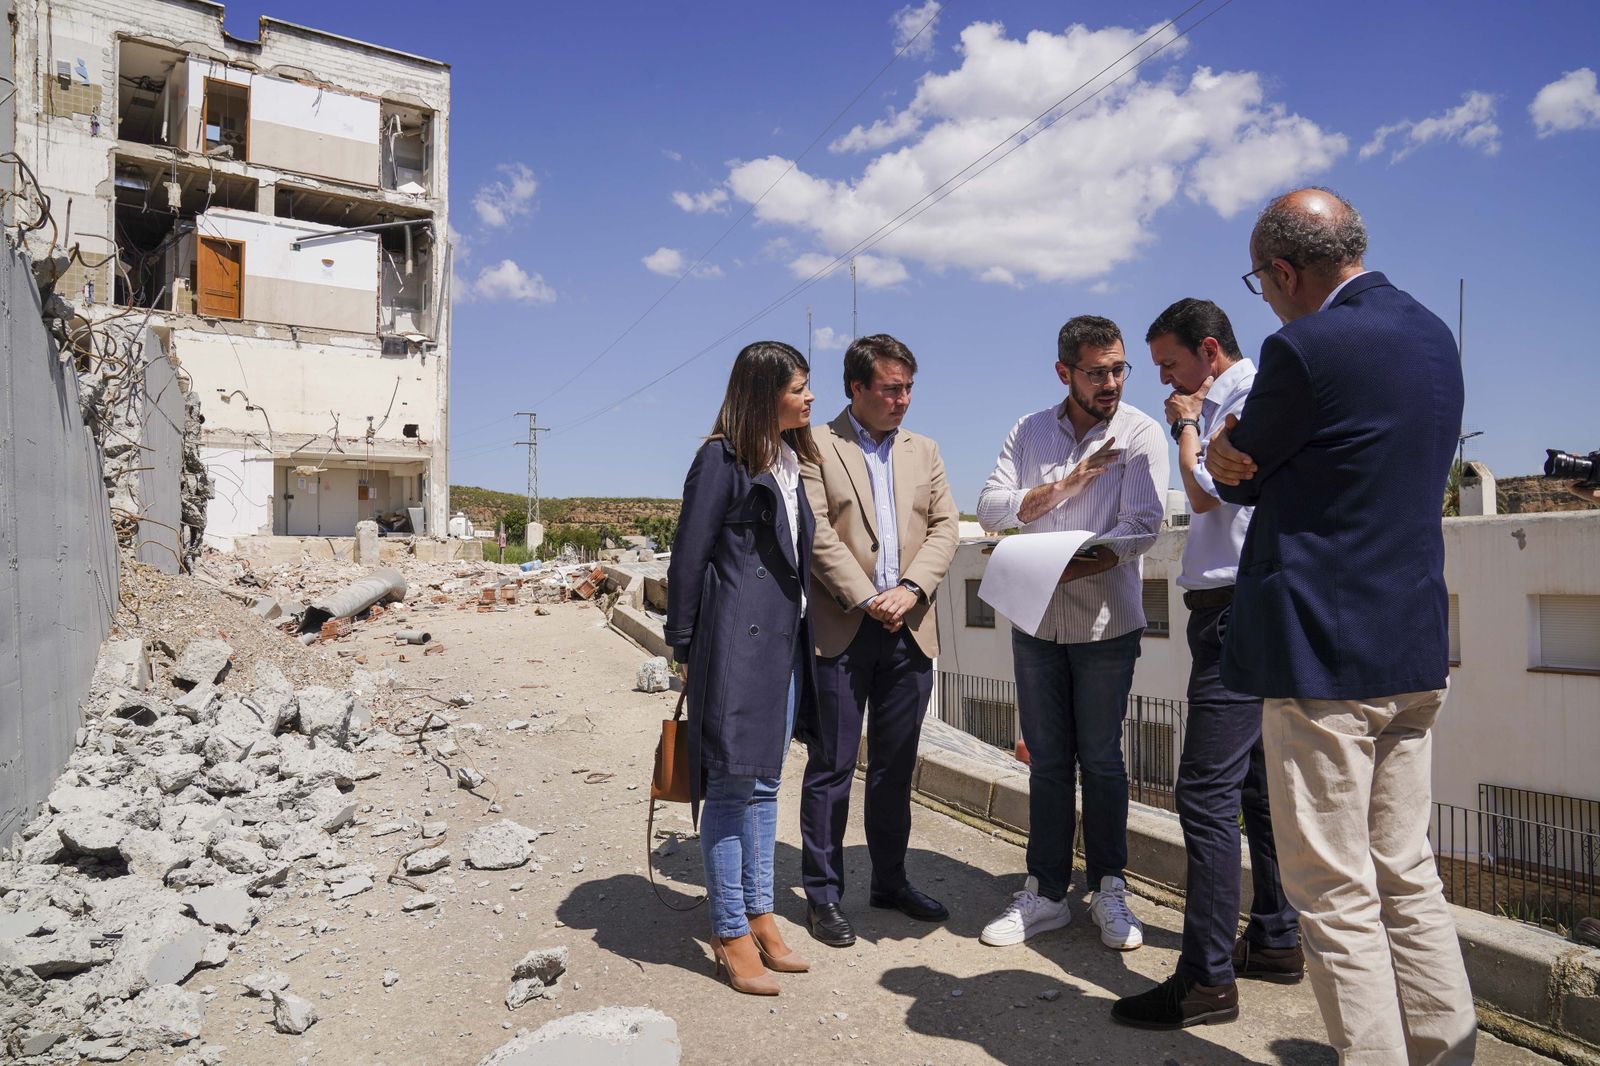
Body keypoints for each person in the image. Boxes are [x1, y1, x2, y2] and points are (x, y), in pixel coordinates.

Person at [1206, 187, 1477, 1063]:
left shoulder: (1305, 347)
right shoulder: (1434, 332)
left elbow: (1242, 471)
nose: (1269, 299)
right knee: (1409, 876)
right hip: (1412, 644)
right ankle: (1448, 1051)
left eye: (1263, 282)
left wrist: (1216, 451)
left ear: (1284, 270)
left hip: (1324, 654)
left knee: (1332, 890)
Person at [1111, 298, 1300, 1031]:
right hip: (1232, 608)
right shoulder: (1235, 395)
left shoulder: (1244, 400)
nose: (1161, 380)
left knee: (1204, 795)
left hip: (1238, 611)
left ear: (1209, 351)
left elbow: (1202, 494)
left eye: (1169, 365)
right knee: (1251, 788)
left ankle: (1206, 980)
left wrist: (1185, 424)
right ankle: (1278, 939)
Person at [975, 315, 1169, 952]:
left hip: (1107, 624)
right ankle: (1047, 892)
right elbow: (992, 508)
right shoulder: (1029, 431)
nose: (1111, 381)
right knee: (1048, 760)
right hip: (1037, 623)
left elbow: (1143, 527)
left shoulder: (1139, 433)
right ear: (1065, 373)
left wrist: (1063, 563)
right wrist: (1066, 485)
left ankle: (1110, 887)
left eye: (1119, 368)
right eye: (1096, 371)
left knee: (1104, 759)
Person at [665, 340, 821, 997]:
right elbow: (688, 554)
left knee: (763, 785)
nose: (810, 398)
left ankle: (760, 913)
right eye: (798, 388)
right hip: (734, 648)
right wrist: (682, 642)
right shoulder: (720, 461)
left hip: (783, 648)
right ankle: (729, 929)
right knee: (731, 789)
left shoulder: (788, 461)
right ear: (764, 396)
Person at [796, 334, 960, 948]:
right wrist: (868, 596)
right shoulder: (814, 443)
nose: (903, 400)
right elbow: (813, 533)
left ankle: (889, 881)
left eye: (909, 388)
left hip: (910, 631)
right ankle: (823, 894)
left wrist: (912, 589)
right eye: (891, 388)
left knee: (894, 769)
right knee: (832, 766)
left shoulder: (928, 451)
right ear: (857, 387)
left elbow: (946, 528)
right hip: (845, 627)